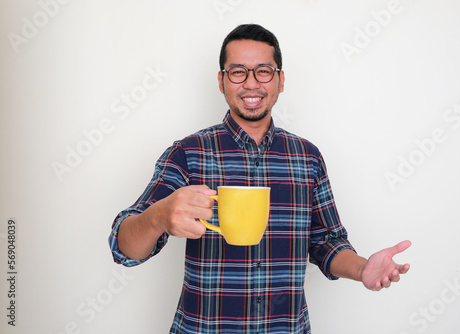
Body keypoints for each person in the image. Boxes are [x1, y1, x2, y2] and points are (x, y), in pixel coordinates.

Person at [108, 24, 411, 333]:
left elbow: (325, 241)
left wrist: (362, 269)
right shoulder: (187, 153)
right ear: (221, 81)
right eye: (238, 72)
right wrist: (157, 217)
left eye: (263, 71)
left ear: (280, 80)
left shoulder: (308, 157)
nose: (251, 83)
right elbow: (123, 246)